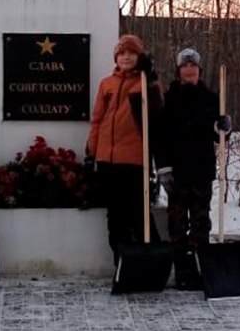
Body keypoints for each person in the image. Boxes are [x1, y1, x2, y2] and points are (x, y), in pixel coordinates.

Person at [154, 47, 232, 291]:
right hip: (177, 171)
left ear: (199, 70)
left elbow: (217, 135)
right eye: (185, 66)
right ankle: (183, 270)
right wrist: (163, 168)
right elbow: (160, 137)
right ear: (179, 71)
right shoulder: (168, 99)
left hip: (201, 169)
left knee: (201, 221)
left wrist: (224, 127)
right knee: (177, 223)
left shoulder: (211, 99)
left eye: (193, 66)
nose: (189, 70)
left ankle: (201, 268)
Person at [86, 34, 162, 266]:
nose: (126, 56)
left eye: (131, 52)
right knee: (116, 218)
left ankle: (152, 263)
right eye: (122, 52)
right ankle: (122, 264)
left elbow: (157, 115)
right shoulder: (106, 84)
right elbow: (97, 119)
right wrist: (92, 151)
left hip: (134, 160)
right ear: (116, 57)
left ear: (140, 57)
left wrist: (150, 79)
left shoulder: (146, 82)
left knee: (139, 215)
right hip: (108, 160)